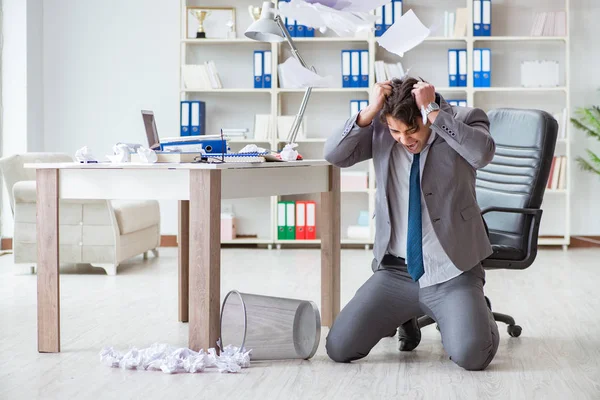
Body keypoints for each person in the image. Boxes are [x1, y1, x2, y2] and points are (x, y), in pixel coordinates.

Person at [323, 77, 499, 371]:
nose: (405, 139)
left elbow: (482, 154)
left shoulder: (463, 120)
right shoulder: (380, 130)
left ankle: (477, 310)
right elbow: (334, 155)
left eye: (413, 129)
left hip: (451, 270)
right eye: (396, 130)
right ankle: (408, 314)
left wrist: (434, 113)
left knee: (473, 356)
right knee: (339, 347)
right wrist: (369, 111)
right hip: (396, 272)